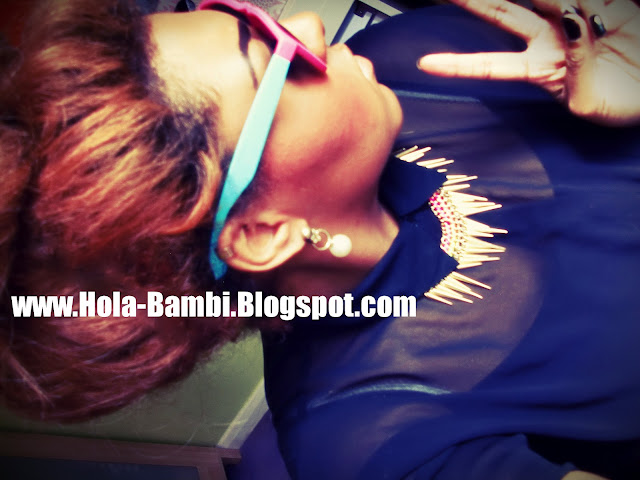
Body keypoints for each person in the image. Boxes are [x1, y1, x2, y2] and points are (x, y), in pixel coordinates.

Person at [0, 0, 638, 479]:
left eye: (246, 16)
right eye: (273, 62)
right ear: (262, 235)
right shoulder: (369, 440)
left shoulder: (411, 55)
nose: (306, 24)